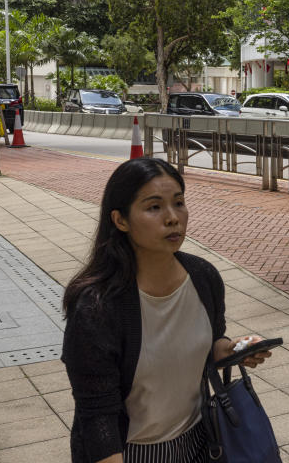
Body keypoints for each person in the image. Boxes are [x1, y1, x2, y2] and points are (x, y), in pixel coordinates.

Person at [62, 158, 272, 463]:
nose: (173, 218)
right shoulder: (97, 307)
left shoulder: (203, 277)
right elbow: (97, 416)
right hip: (129, 453)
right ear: (120, 220)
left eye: (179, 203)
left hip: (202, 443)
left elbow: (211, 343)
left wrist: (234, 349)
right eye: (154, 207)